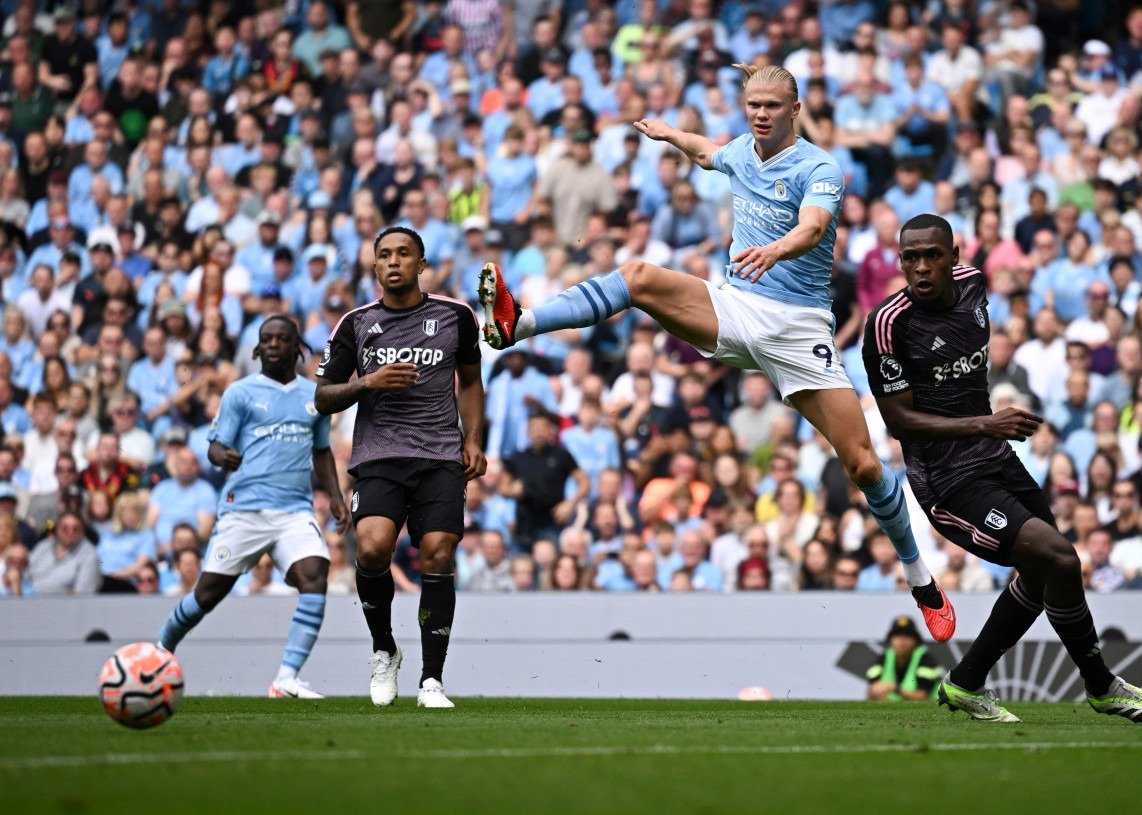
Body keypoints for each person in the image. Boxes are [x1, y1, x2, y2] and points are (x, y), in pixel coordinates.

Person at [478, 63, 955, 641]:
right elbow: (709, 153)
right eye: (753, 103)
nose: (760, 113)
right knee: (638, 277)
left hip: (798, 327)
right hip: (735, 307)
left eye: (772, 106)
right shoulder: (740, 151)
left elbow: (814, 226)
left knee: (864, 464)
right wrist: (670, 133)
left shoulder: (820, 167)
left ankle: (920, 578)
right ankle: (517, 322)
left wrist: (776, 249)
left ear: (795, 110)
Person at [862, 213, 1142, 724]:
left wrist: (987, 428)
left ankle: (965, 682)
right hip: (947, 482)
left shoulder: (974, 286)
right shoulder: (888, 325)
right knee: (1061, 560)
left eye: (931, 255)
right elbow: (898, 421)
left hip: (995, 458)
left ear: (954, 257)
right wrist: (985, 423)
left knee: (1042, 569)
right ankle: (1102, 686)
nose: (920, 268)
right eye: (910, 258)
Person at [315, 227, 486, 709]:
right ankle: (384, 649)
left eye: (403, 254)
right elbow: (322, 396)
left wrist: (473, 439)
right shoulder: (355, 323)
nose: (394, 262)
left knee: (438, 552)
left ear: (421, 264)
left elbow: (471, 382)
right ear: (374, 267)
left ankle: (432, 679)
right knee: (370, 550)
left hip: (439, 456)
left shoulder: (455, 316)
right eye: (384, 255)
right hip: (379, 456)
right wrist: (368, 382)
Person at [156, 316, 349, 700]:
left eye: (282, 338)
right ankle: (161, 650)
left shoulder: (316, 396)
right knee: (207, 595)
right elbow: (215, 444)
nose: (274, 344)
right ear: (257, 349)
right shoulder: (240, 393)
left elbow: (322, 450)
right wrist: (220, 455)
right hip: (243, 509)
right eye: (267, 339)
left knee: (315, 573)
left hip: (294, 510)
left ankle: (286, 678)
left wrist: (337, 496)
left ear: (298, 348)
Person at [866, 615, 942, 701]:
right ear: (890, 640)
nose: (902, 640)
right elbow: (871, 693)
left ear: (916, 640)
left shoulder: (926, 660)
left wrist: (894, 688)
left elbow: (922, 696)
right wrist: (876, 692)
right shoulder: (884, 657)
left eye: (908, 635)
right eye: (897, 635)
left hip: (928, 712)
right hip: (894, 711)